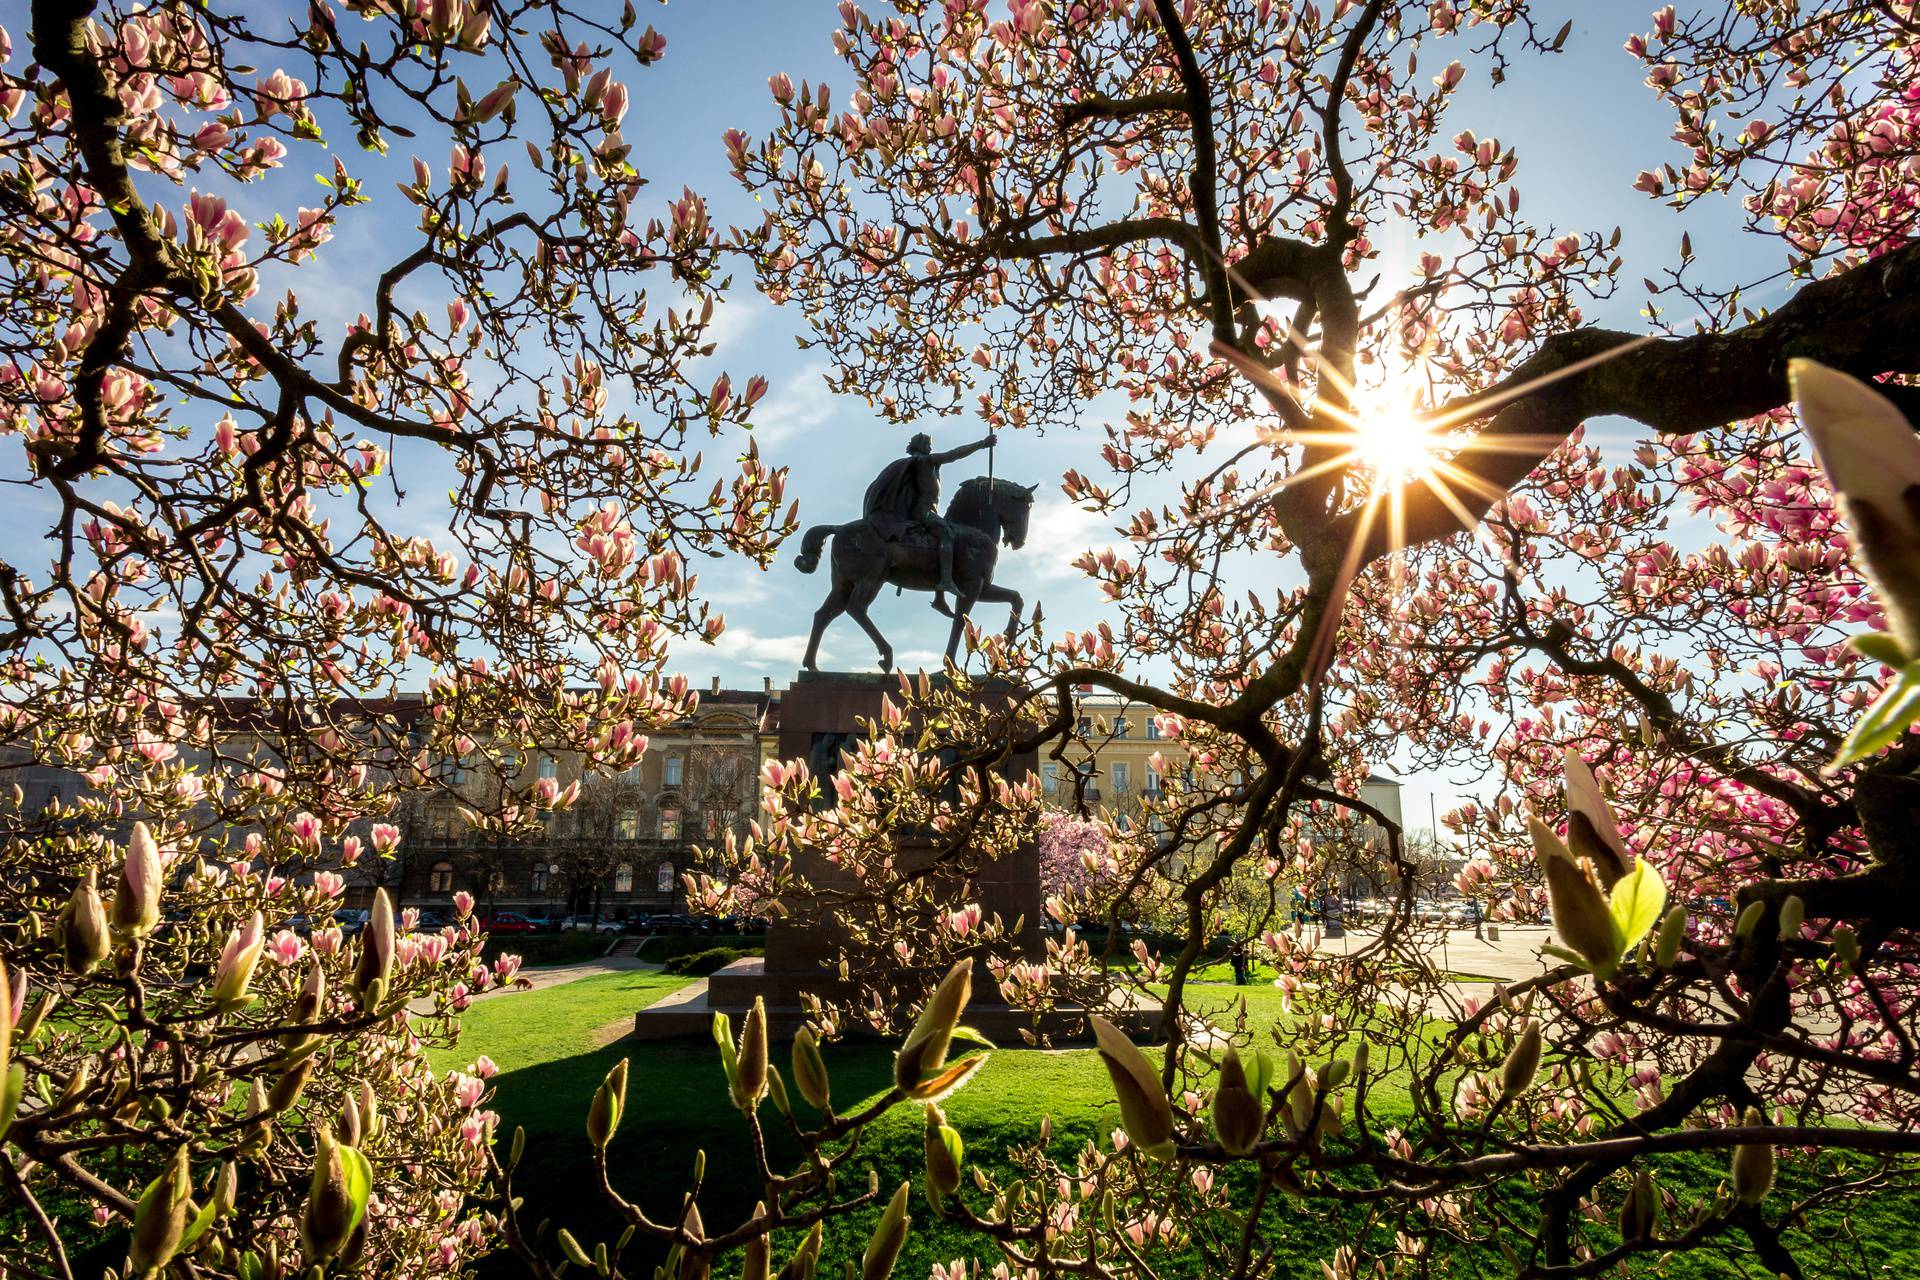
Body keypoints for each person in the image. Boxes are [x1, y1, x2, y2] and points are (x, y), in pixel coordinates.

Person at [862, 430, 997, 614]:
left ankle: (939, 598)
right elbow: (954, 454)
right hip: (923, 512)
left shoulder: (922, 464)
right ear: (923, 447)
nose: (930, 447)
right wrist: (981, 444)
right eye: (928, 444)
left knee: (940, 535)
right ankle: (946, 582)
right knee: (947, 533)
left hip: (928, 511)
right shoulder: (925, 461)